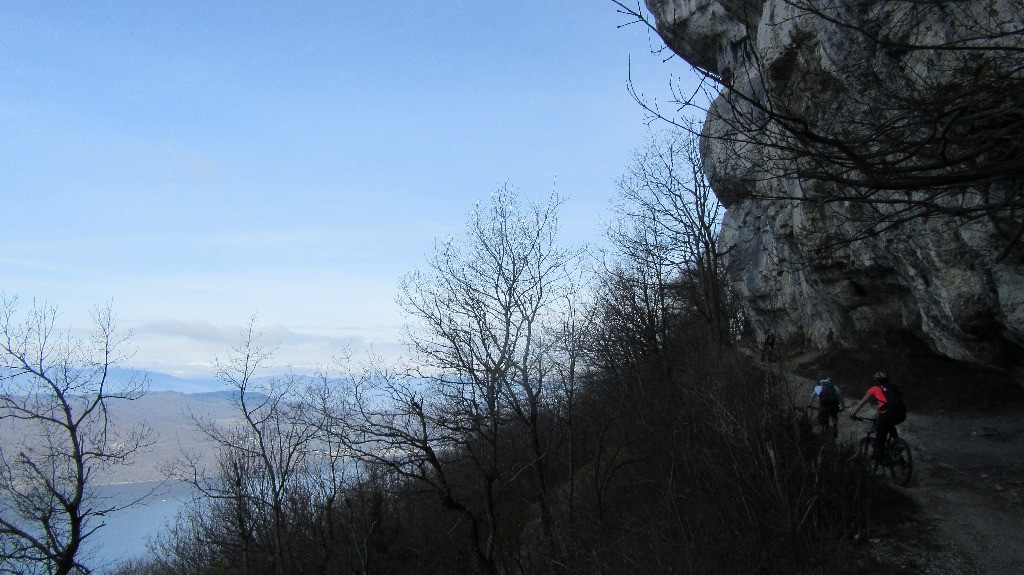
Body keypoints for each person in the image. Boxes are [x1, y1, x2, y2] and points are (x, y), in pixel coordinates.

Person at [850, 371, 907, 473]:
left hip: (887, 414)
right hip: (901, 414)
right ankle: (897, 443)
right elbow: (887, 406)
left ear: (876, 381)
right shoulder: (893, 387)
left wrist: (853, 413)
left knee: (879, 441)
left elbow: (862, 403)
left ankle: (879, 468)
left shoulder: (874, 389)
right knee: (888, 424)